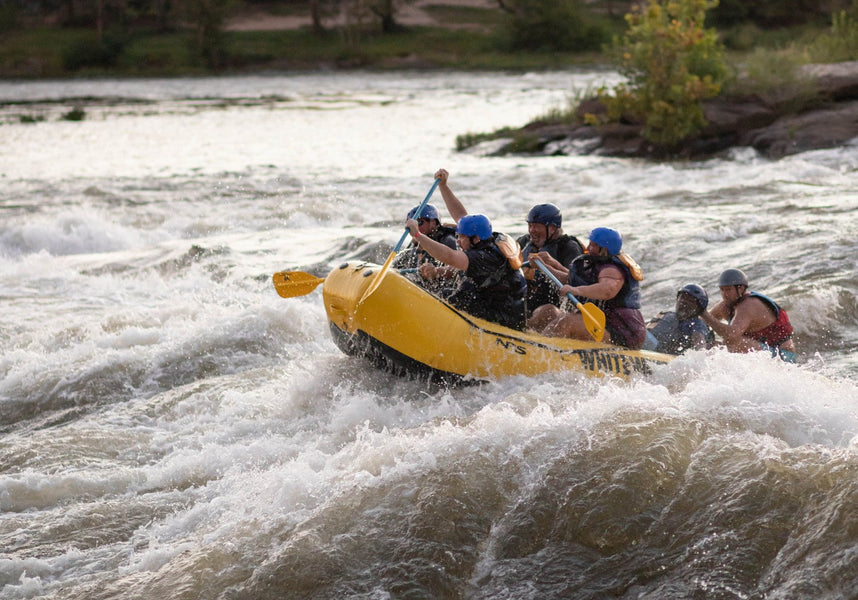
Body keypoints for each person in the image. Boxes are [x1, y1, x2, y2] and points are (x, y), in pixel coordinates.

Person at [404, 168, 527, 330]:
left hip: (504, 319)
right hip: (490, 302)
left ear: (475, 238)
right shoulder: (486, 238)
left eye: (462, 237)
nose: (458, 240)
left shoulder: (485, 256)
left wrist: (418, 235)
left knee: (457, 298)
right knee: (449, 294)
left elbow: (449, 256)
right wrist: (444, 187)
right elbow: (462, 217)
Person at [529, 226, 647, 349]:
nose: (589, 248)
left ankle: (538, 352)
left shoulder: (612, 270)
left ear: (604, 249)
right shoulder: (594, 264)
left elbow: (607, 290)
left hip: (621, 331)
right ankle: (521, 340)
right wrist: (545, 267)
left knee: (567, 322)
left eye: (593, 245)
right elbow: (569, 280)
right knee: (548, 311)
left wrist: (577, 290)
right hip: (596, 322)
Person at [701, 268, 797, 362]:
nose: (724, 294)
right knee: (713, 347)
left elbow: (732, 335)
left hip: (783, 356)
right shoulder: (724, 307)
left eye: (728, 290)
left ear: (741, 289)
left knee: (733, 343)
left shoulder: (749, 305)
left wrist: (703, 313)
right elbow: (702, 322)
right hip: (760, 351)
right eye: (722, 290)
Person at [517, 203, 584, 316]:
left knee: (547, 311)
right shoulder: (523, 242)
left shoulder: (569, 248)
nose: (532, 230)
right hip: (526, 302)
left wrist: (552, 264)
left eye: (537, 226)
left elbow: (577, 282)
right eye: (530, 226)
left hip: (553, 307)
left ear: (552, 228)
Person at [643, 284, 715, 354]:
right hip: (644, 346)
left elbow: (700, 345)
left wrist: (700, 353)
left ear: (698, 308)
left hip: (657, 353)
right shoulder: (667, 314)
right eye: (682, 297)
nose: (684, 302)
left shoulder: (696, 324)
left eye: (690, 301)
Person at [392, 203, 457, 270]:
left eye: (419, 222)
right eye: (414, 224)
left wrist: (436, 272)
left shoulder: (448, 240)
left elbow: (459, 268)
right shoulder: (414, 245)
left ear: (433, 223)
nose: (415, 227)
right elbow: (396, 268)